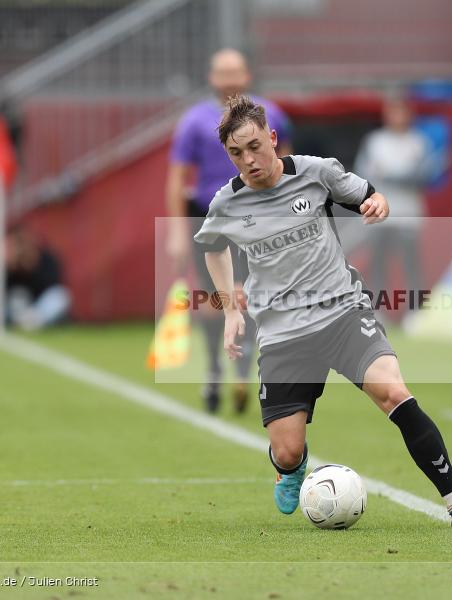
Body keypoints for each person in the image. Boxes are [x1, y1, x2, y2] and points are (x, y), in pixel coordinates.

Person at [193, 95, 452, 530]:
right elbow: (212, 247)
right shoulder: (228, 202)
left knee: (394, 393)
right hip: (283, 333)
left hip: (343, 314)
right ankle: (291, 469)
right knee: (289, 449)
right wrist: (230, 311)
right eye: (236, 154)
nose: (249, 160)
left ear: (272, 138)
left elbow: (371, 196)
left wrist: (378, 204)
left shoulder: (317, 172)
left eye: (255, 146)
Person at [165, 48, 292, 414]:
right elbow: (177, 178)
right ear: (212, 78)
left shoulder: (272, 116)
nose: (230, 80)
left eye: (235, 72)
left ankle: (242, 362)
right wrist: (176, 230)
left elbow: (291, 168)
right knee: (212, 298)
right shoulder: (194, 121)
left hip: (258, 216)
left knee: (251, 293)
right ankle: (216, 367)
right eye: (223, 72)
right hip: (209, 217)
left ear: (247, 75)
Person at [354, 96, 432, 316]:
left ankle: (415, 312)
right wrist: (399, 174)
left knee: (412, 266)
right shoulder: (374, 141)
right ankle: (378, 310)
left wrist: (387, 174)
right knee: (377, 265)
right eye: (392, 112)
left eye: (401, 112)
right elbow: (364, 177)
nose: (397, 117)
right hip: (379, 217)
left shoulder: (419, 142)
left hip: (409, 215)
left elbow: (421, 175)